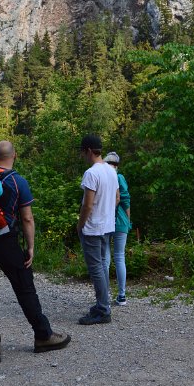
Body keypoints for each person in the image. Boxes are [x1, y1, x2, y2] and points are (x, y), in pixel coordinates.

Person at [0, 141, 70, 364]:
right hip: (5, 241)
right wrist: (30, 247)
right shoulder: (17, 181)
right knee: (25, 288)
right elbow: (27, 218)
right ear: (14, 155)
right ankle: (43, 336)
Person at [77, 133, 119, 325]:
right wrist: (106, 212)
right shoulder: (111, 171)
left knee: (96, 269)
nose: (82, 156)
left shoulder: (91, 173)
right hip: (107, 226)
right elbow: (117, 198)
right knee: (102, 266)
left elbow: (87, 204)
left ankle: (103, 309)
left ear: (88, 151)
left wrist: (80, 224)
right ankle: (103, 304)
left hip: (93, 228)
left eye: (82, 152)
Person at [103, 152, 131, 306]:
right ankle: (121, 295)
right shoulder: (119, 177)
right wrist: (128, 219)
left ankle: (104, 296)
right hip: (120, 221)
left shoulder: (103, 178)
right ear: (117, 165)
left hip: (105, 221)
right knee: (119, 256)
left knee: (105, 259)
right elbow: (125, 200)